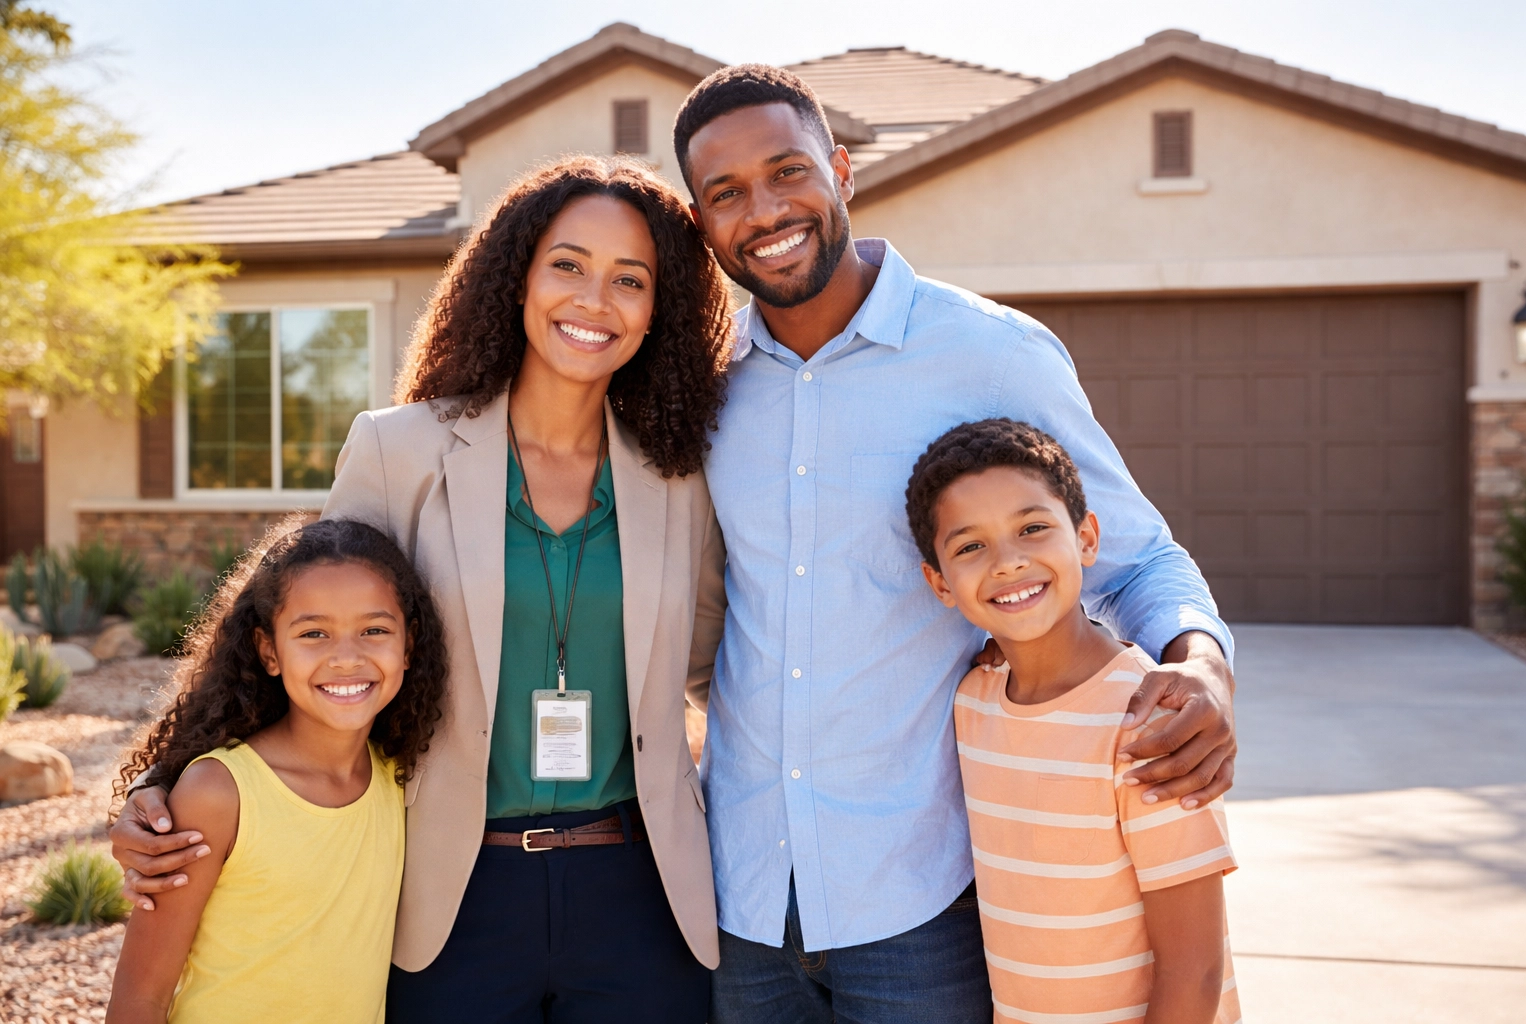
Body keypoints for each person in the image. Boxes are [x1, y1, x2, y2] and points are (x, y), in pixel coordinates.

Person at [673, 65, 1241, 1021]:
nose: (764, 210)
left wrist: (1204, 667)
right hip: (738, 900)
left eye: (788, 171)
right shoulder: (705, 384)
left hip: (921, 899)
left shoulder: (991, 352)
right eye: (726, 193)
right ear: (701, 224)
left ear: (842, 171)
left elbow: (1140, 557)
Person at [110, 156, 735, 1023]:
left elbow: (715, 666)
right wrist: (163, 783)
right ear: (517, 276)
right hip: (446, 888)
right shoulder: (397, 450)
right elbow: (315, 641)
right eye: (567, 264)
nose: (594, 300)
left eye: (630, 279)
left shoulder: (681, 479)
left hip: (640, 885)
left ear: (656, 311)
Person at [908, 419, 1241, 1024]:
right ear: (939, 582)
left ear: (1086, 537)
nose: (1008, 562)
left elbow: (1195, 970)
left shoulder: (1151, 721)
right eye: (969, 546)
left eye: (1033, 528)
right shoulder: (972, 701)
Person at [105, 518, 450, 1023]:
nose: (346, 658)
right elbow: (141, 996)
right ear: (269, 651)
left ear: (409, 645)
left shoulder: (399, 778)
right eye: (314, 633)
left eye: (374, 630)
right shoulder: (219, 793)